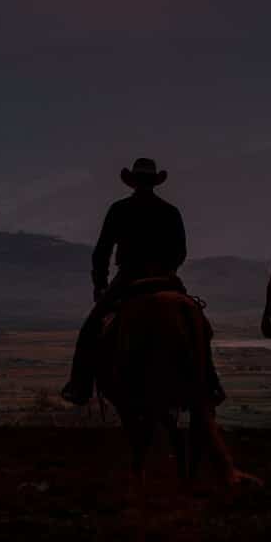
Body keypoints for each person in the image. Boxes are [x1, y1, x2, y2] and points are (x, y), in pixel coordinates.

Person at [61, 157, 225, 406]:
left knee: (91, 327)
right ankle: (210, 383)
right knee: (199, 324)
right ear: (154, 182)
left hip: (129, 277)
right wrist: (166, 268)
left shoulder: (119, 209)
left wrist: (100, 284)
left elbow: (102, 252)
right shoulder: (170, 211)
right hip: (166, 278)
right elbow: (180, 252)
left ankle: (79, 386)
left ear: (133, 182)